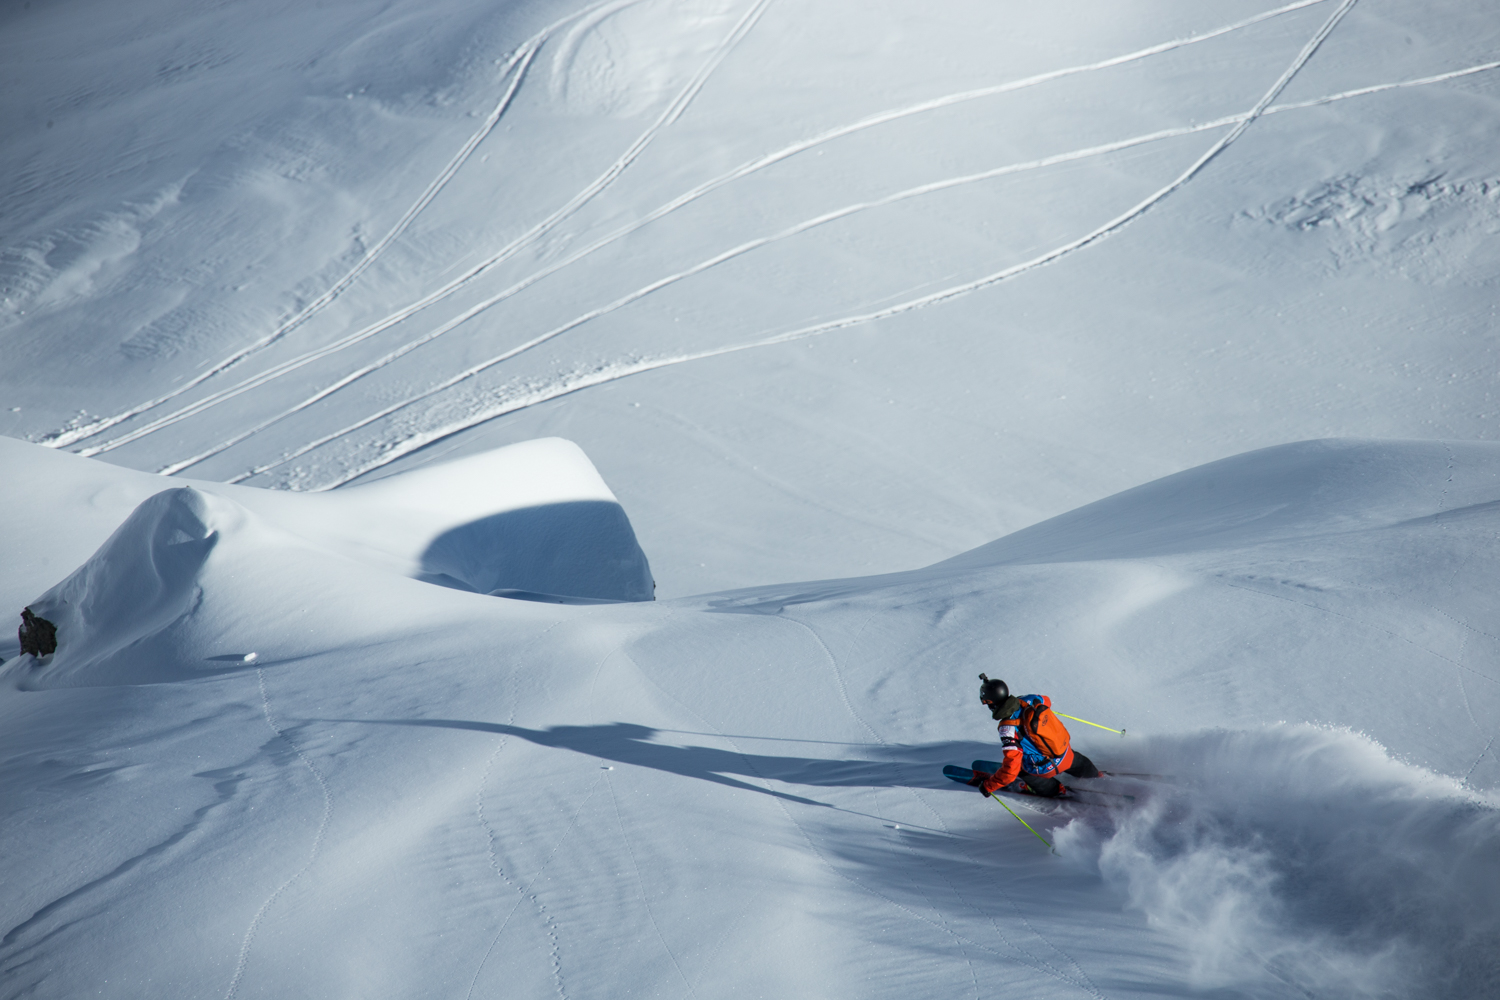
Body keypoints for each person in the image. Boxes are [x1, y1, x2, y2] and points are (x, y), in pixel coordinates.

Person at [973, 674, 1099, 798]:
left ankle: (1056, 790)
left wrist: (988, 786)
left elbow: (1011, 771)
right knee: (1073, 759)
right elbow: (1046, 700)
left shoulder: (1007, 729)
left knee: (1020, 769)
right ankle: (1096, 775)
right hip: (1065, 752)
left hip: (1046, 769)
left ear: (991, 703)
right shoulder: (1028, 699)